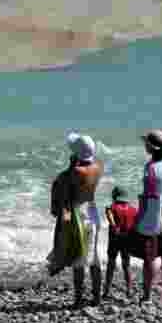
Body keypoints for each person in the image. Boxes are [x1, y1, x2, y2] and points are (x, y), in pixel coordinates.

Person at [61, 131, 104, 309]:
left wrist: (72, 165)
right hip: (93, 212)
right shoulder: (98, 167)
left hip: (80, 215)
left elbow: (66, 188)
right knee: (94, 259)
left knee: (78, 260)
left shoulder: (76, 171)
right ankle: (96, 297)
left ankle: (78, 299)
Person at [134, 129, 162, 304]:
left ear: (152, 147)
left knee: (150, 256)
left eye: (146, 143)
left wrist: (138, 218)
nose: (144, 145)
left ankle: (147, 296)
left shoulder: (150, 169)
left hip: (154, 210)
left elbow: (148, 196)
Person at [102, 186, 138, 300]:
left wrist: (113, 225)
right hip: (128, 239)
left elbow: (109, 213)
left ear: (115, 196)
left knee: (111, 263)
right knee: (126, 265)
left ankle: (107, 290)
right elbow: (137, 222)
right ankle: (129, 290)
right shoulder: (133, 209)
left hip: (115, 238)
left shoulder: (112, 206)